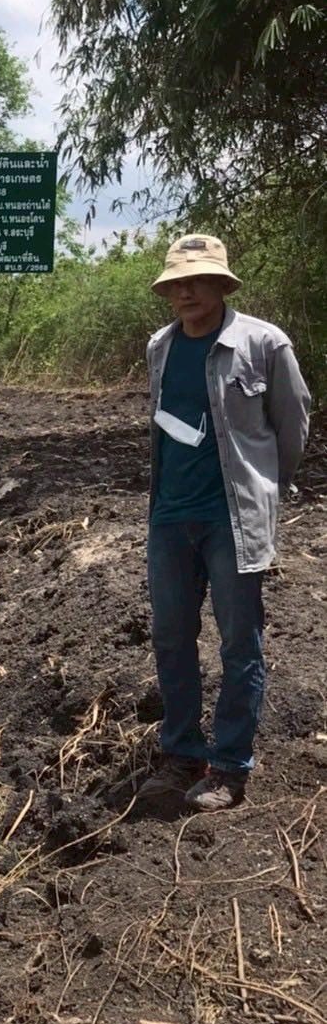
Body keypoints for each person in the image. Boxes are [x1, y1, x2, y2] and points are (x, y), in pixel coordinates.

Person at [137, 234, 310, 812]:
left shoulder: (263, 343)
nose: (187, 291)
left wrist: (266, 492)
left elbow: (292, 425)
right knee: (171, 638)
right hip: (169, 518)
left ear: (221, 283)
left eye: (199, 280)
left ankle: (230, 766)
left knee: (239, 643)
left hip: (231, 519)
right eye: (177, 283)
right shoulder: (160, 347)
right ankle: (182, 753)